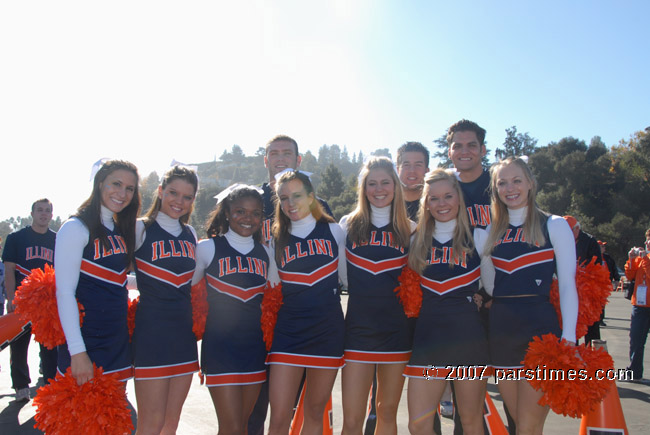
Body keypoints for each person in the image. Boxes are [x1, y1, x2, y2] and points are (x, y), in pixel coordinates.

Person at [483, 157, 578, 434]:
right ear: (495, 188)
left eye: (517, 181)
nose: (509, 188)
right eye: (502, 183)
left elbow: (567, 284)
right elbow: (491, 287)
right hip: (501, 332)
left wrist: (569, 338)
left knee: (528, 425)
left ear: (531, 184)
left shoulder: (555, 225)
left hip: (541, 334)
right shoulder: (490, 231)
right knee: (519, 423)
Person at [251, 134, 332, 434]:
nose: (280, 158)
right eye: (274, 153)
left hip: (299, 316)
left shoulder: (318, 205)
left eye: (288, 153)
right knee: (256, 406)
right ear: (265, 160)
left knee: (298, 405)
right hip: (253, 314)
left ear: (299, 161)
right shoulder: (248, 200)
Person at [405, 169, 491, 435]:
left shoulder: (479, 236)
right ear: (426, 204)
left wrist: (482, 298)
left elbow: (493, 287)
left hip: (468, 339)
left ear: (458, 199)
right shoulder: (415, 239)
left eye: (448, 196)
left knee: (470, 420)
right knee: (418, 424)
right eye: (434, 198)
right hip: (428, 339)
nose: (441, 204)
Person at [266, 170, 346, 435]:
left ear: (312, 197)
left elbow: (348, 279)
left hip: (327, 332)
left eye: (297, 195)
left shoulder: (335, 231)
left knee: (314, 412)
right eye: (284, 197)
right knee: (278, 417)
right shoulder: (274, 240)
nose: (290, 203)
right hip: (288, 333)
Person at [339, 157, 415, 434]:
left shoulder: (411, 229)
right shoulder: (347, 225)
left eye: (385, 182)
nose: (379, 189)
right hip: (358, 329)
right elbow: (341, 275)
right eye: (372, 183)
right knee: (352, 418)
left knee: (386, 412)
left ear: (395, 186)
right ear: (364, 188)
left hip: (396, 331)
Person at [192, 185, 271, 434]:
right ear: (227, 212)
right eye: (240, 211)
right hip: (220, 349)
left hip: (255, 349)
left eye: (255, 213)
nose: (248, 218)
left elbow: (275, 300)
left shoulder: (267, 253)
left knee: (244, 426)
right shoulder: (207, 248)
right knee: (230, 426)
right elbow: (189, 295)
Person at [56, 160, 140, 386]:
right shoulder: (75, 228)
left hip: (117, 339)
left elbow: (114, 278)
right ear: (100, 183)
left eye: (130, 188)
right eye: (116, 184)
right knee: (82, 419)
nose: (122, 193)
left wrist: (146, 284)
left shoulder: (119, 228)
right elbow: (64, 292)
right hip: (86, 342)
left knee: (113, 419)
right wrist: (77, 352)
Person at [131, 165, 199, 434]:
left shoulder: (191, 234)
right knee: (150, 423)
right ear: (160, 191)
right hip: (151, 335)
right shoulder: (138, 229)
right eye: (173, 192)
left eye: (187, 196)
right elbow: (116, 275)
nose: (179, 201)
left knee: (172, 422)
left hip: (183, 335)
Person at [2, 198, 58, 401]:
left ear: (51, 215)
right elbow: (9, 270)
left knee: (50, 346)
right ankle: (21, 386)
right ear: (32, 213)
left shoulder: (57, 240)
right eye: (40, 210)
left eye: (47, 211)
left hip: (47, 304)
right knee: (18, 345)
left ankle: (51, 384)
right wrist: (11, 298)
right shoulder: (16, 238)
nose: (44, 214)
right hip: (23, 301)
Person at [563, 215, 603, 344]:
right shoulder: (561, 240)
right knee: (571, 327)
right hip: (569, 290)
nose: (566, 234)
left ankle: (593, 360)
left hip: (588, 292)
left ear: (577, 229)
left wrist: (581, 273)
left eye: (569, 231)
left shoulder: (590, 241)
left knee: (591, 328)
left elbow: (597, 266)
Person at [624, 228, 650, 381]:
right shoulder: (643, 258)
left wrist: (645, 259)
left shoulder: (645, 258)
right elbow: (630, 275)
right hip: (640, 307)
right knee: (635, 339)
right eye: (646, 240)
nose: (646, 243)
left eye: (649, 240)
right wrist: (631, 259)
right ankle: (634, 371)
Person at [396, 142, 430, 221]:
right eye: (406, 165)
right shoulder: (386, 205)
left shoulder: (435, 206)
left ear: (427, 171)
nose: (412, 170)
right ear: (398, 170)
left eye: (418, 165)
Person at [599, 240, 619, 326]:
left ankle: (601, 319)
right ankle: (595, 319)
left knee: (603, 302)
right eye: (602, 246)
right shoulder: (593, 256)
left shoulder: (608, 258)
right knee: (596, 302)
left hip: (605, 284)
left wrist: (617, 279)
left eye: (604, 246)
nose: (604, 248)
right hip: (595, 284)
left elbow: (614, 268)